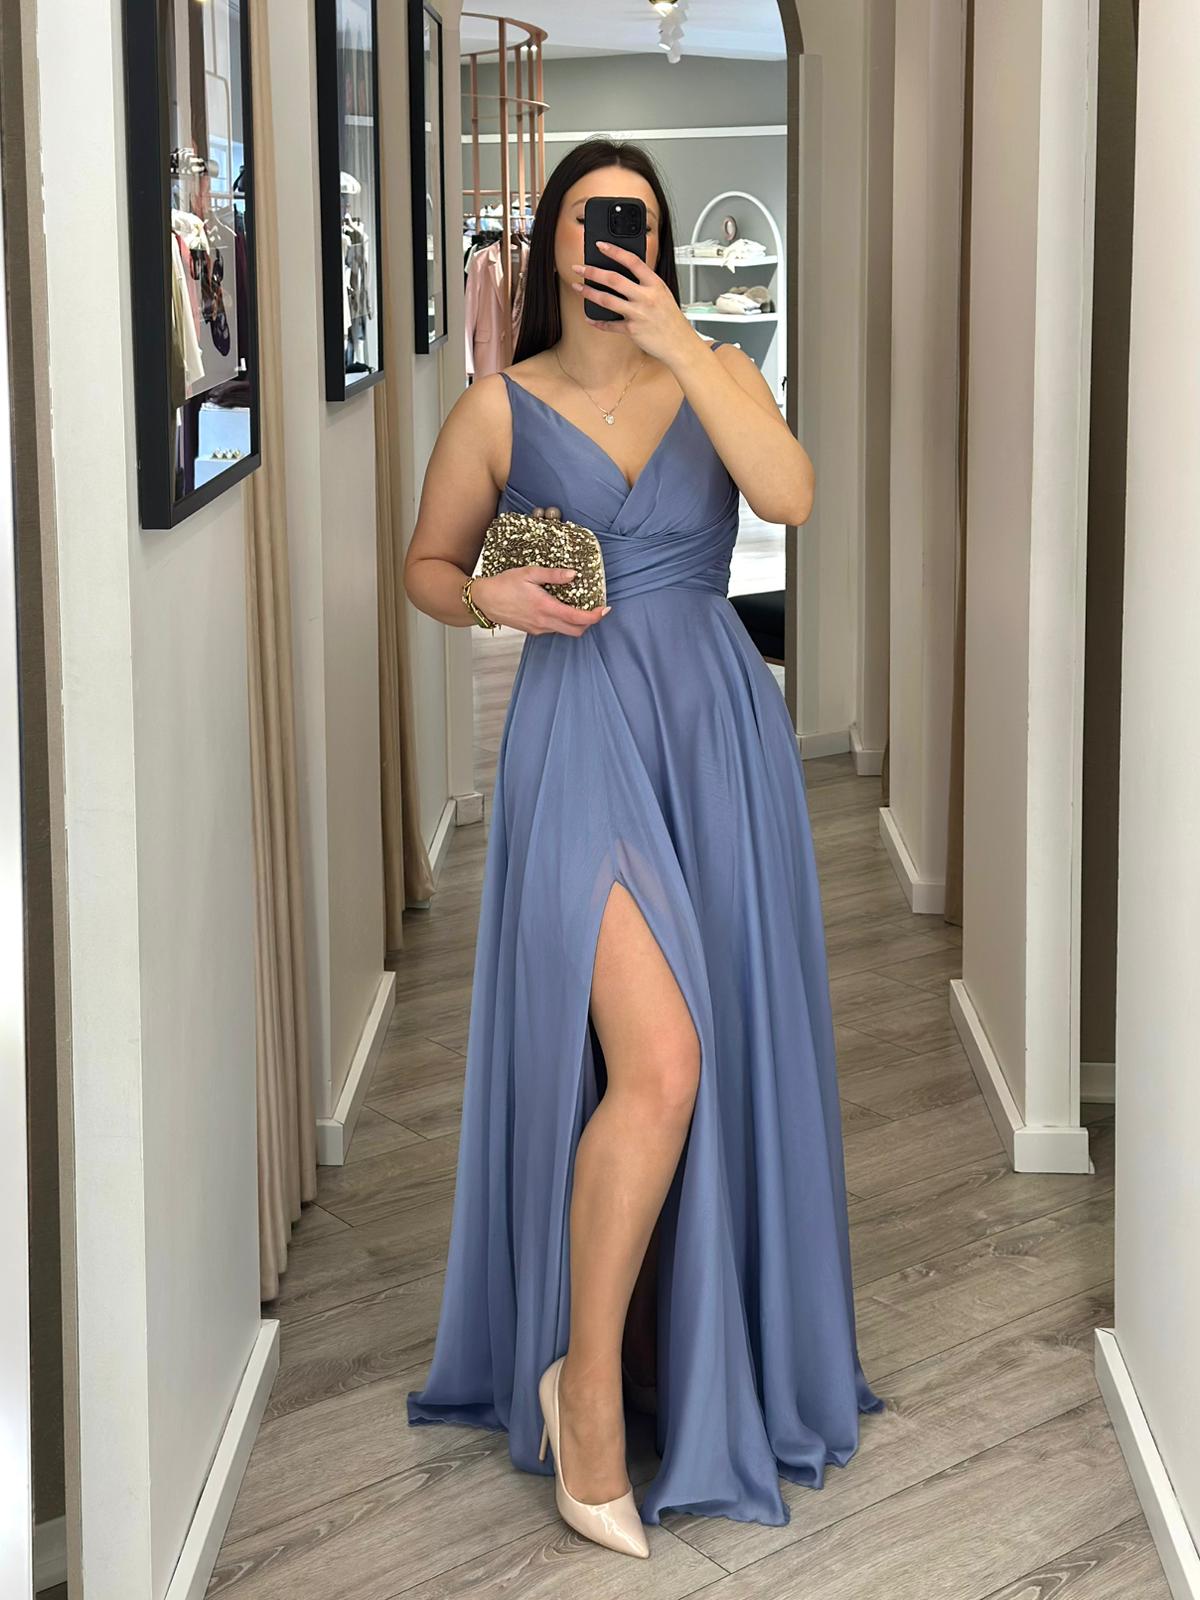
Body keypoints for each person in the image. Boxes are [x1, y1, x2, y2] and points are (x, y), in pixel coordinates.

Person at [403, 138, 884, 1559]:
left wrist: (685, 341)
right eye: (589, 218)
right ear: (551, 242)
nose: (611, 239)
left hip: (715, 736)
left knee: (694, 1059)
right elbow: (426, 567)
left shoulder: (715, 375)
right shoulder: (499, 409)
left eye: (637, 223)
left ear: (657, 250)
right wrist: (487, 599)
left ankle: (639, 1357)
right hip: (574, 734)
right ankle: (591, 1392)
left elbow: (790, 496)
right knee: (660, 1060)